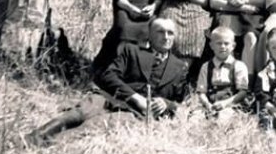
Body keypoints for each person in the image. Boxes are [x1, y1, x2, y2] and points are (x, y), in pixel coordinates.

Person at [28, 18, 188, 145]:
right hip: (109, 97)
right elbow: (108, 76)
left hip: (134, 114)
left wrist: (166, 104)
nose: (166, 37)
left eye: (170, 33)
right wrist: (135, 97)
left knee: (95, 125)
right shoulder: (132, 51)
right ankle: (33, 137)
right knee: (80, 112)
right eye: (160, 32)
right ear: (150, 34)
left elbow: (180, 102)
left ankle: (50, 146)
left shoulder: (180, 67)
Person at [196, 26, 251, 117]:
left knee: (222, 117)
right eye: (218, 43)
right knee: (195, 117)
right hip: (210, 105)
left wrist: (225, 104)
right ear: (211, 46)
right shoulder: (206, 67)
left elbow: (242, 92)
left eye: (226, 43)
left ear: (233, 46)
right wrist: (207, 104)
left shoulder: (239, 66)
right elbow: (201, 92)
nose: (222, 47)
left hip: (230, 105)